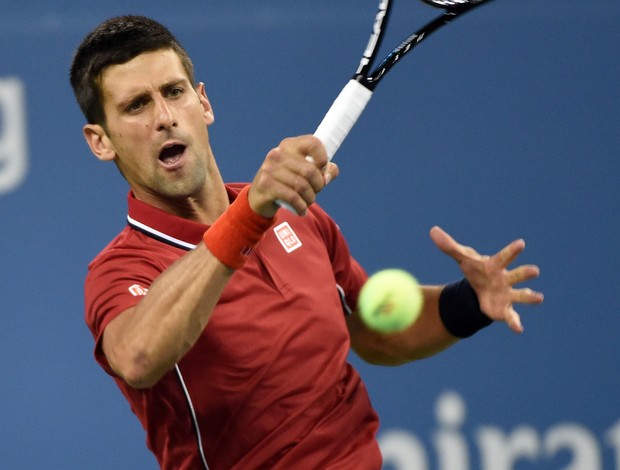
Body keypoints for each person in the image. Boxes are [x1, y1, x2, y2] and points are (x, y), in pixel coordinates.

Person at [70, 15, 544, 470]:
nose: (166, 118)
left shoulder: (301, 219)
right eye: (137, 106)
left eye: (174, 93)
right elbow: (138, 357)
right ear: (100, 141)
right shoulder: (119, 271)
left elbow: (373, 331)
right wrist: (250, 214)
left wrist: (468, 303)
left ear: (204, 103)